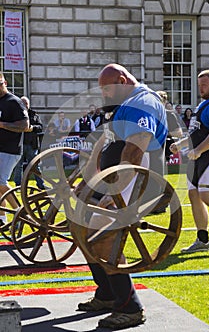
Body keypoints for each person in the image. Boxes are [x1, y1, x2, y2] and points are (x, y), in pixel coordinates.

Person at [71, 63, 168, 330]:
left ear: (123, 79)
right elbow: (105, 144)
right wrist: (87, 182)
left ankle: (131, 308)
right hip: (114, 179)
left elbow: (135, 150)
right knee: (79, 227)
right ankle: (107, 294)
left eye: (107, 89)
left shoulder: (143, 102)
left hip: (135, 180)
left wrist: (118, 194)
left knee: (102, 236)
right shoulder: (123, 107)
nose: (104, 95)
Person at [170, 69, 209, 253]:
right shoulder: (203, 105)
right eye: (199, 86)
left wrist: (198, 150)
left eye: (204, 85)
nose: (200, 89)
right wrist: (181, 144)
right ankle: (203, 240)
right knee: (194, 195)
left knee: (208, 196)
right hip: (198, 158)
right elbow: (195, 133)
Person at [0, 73, 29, 225]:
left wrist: (3, 124)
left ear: (5, 82)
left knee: (0, 181)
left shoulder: (14, 102)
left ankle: (21, 212)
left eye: (0, 84)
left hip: (10, 149)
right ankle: (2, 218)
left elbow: (25, 125)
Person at [13, 96, 46, 190]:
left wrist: (32, 128)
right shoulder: (16, 114)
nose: (25, 105)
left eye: (26, 103)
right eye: (23, 103)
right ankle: (18, 186)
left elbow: (40, 127)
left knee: (35, 166)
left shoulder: (34, 114)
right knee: (18, 166)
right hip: (19, 144)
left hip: (32, 144)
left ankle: (41, 184)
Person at [157, 91, 183, 161]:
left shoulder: (170, 115)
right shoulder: (150, 114)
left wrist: (164, 133)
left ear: (165, 102)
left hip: (164, 149)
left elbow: (179, 133)